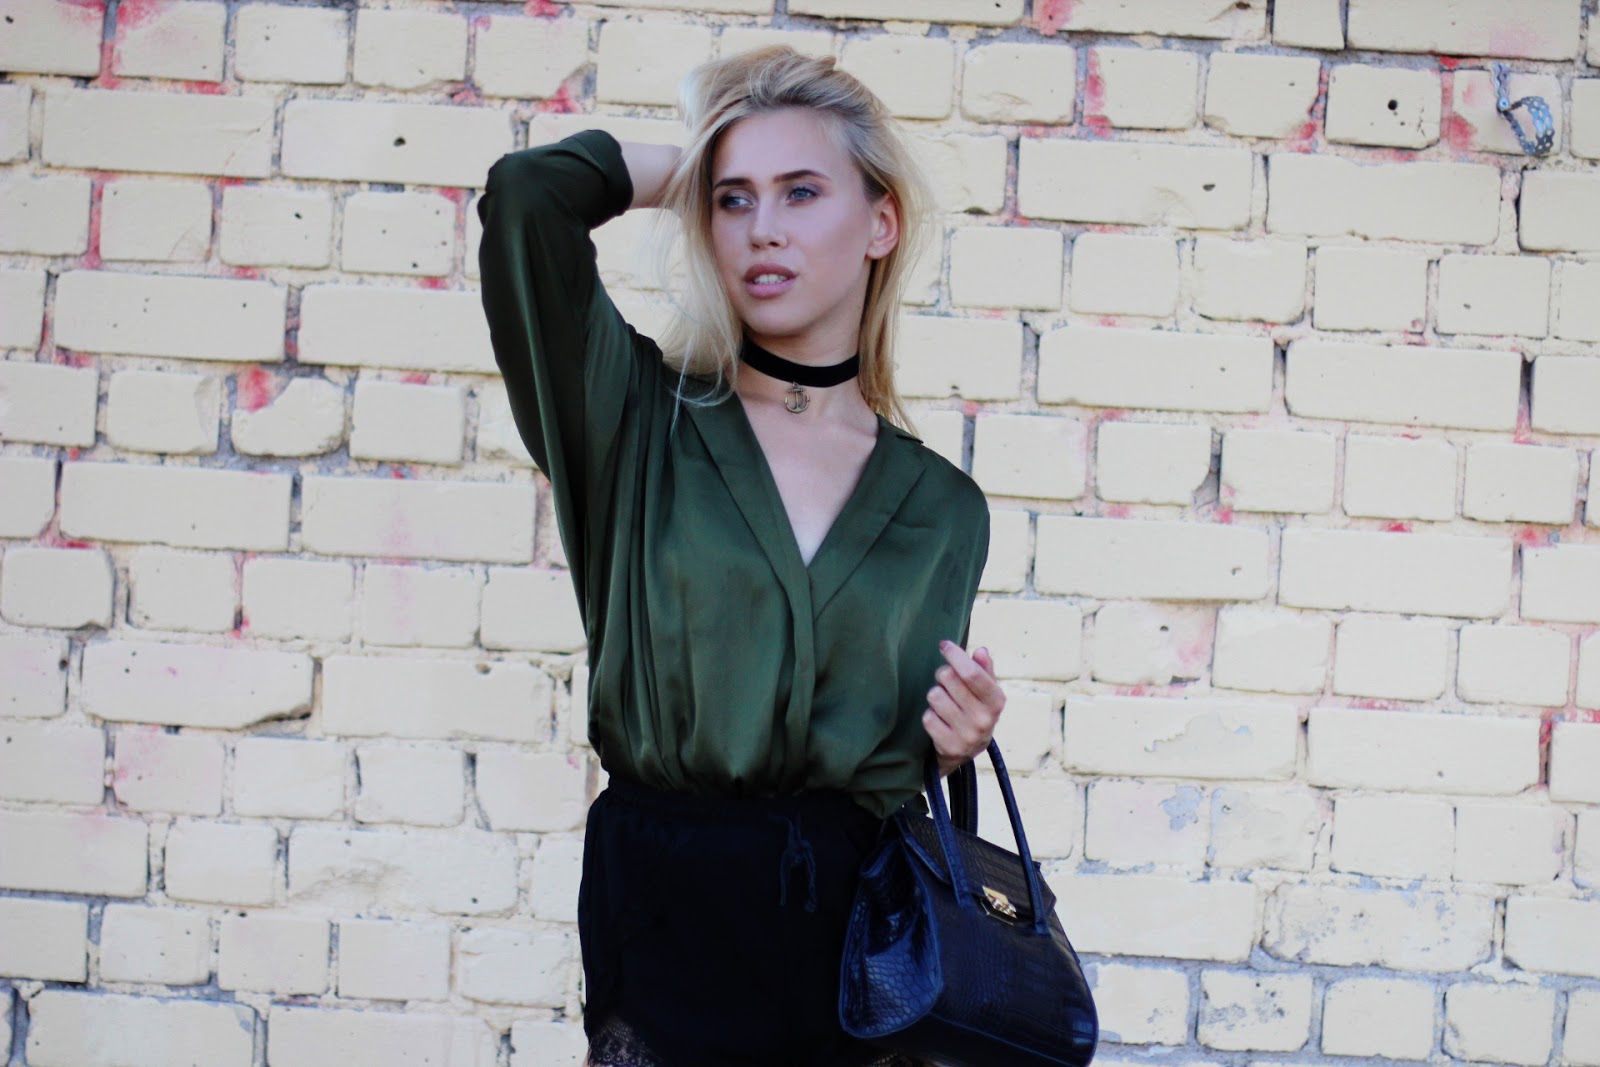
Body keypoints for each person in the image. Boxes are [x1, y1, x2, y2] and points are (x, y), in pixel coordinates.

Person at [476, 46, 1007, 1067]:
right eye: (733, 200)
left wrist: (949, 742)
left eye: (802, 192)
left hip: (863, 958)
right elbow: (528, 198)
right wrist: (694, 166)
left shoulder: (945, 509)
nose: (763, 227)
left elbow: (883, 756)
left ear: (881, 223)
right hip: (669, 920)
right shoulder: (636, 423)